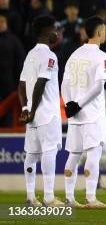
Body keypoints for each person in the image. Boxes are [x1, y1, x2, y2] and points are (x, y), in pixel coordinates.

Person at [61, 16, 106, 208]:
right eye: (104, 30)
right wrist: (79, 104)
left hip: (75, 115)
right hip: (92, 114)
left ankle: (69, 198)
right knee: (94, 153)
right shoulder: (102, 56)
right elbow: (99, 87)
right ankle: (90, 198)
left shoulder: (74, 54)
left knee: (73, 154)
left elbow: (64, 83)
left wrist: (69, 105)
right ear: (98, 32)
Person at [18, 15, 63, 206]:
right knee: (49, 152)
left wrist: (26, 109)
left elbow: (21, 84)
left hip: (33, 116)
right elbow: (41, 83)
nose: (57, 32)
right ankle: (49, 197)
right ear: (46, 31)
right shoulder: (49, 56)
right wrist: (33, 110)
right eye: (55, 28)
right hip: (46, 114)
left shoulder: (30, 55)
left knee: (31, 154)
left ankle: (30, 196)